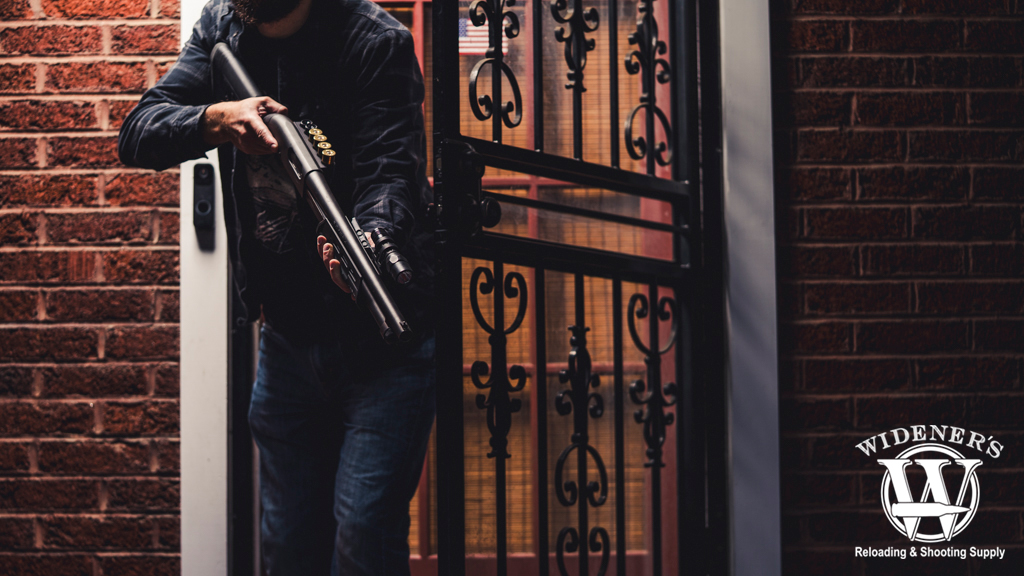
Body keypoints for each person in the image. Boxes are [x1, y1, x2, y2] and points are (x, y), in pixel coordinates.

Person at [117, 0, 435, 574]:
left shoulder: (375, 40)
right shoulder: (220, 27)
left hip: (382, 349)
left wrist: (367, 239)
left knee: (364, 539)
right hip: (288, 340)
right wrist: (215, 120)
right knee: (288, 546)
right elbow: (139, 130)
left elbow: (391, 173)